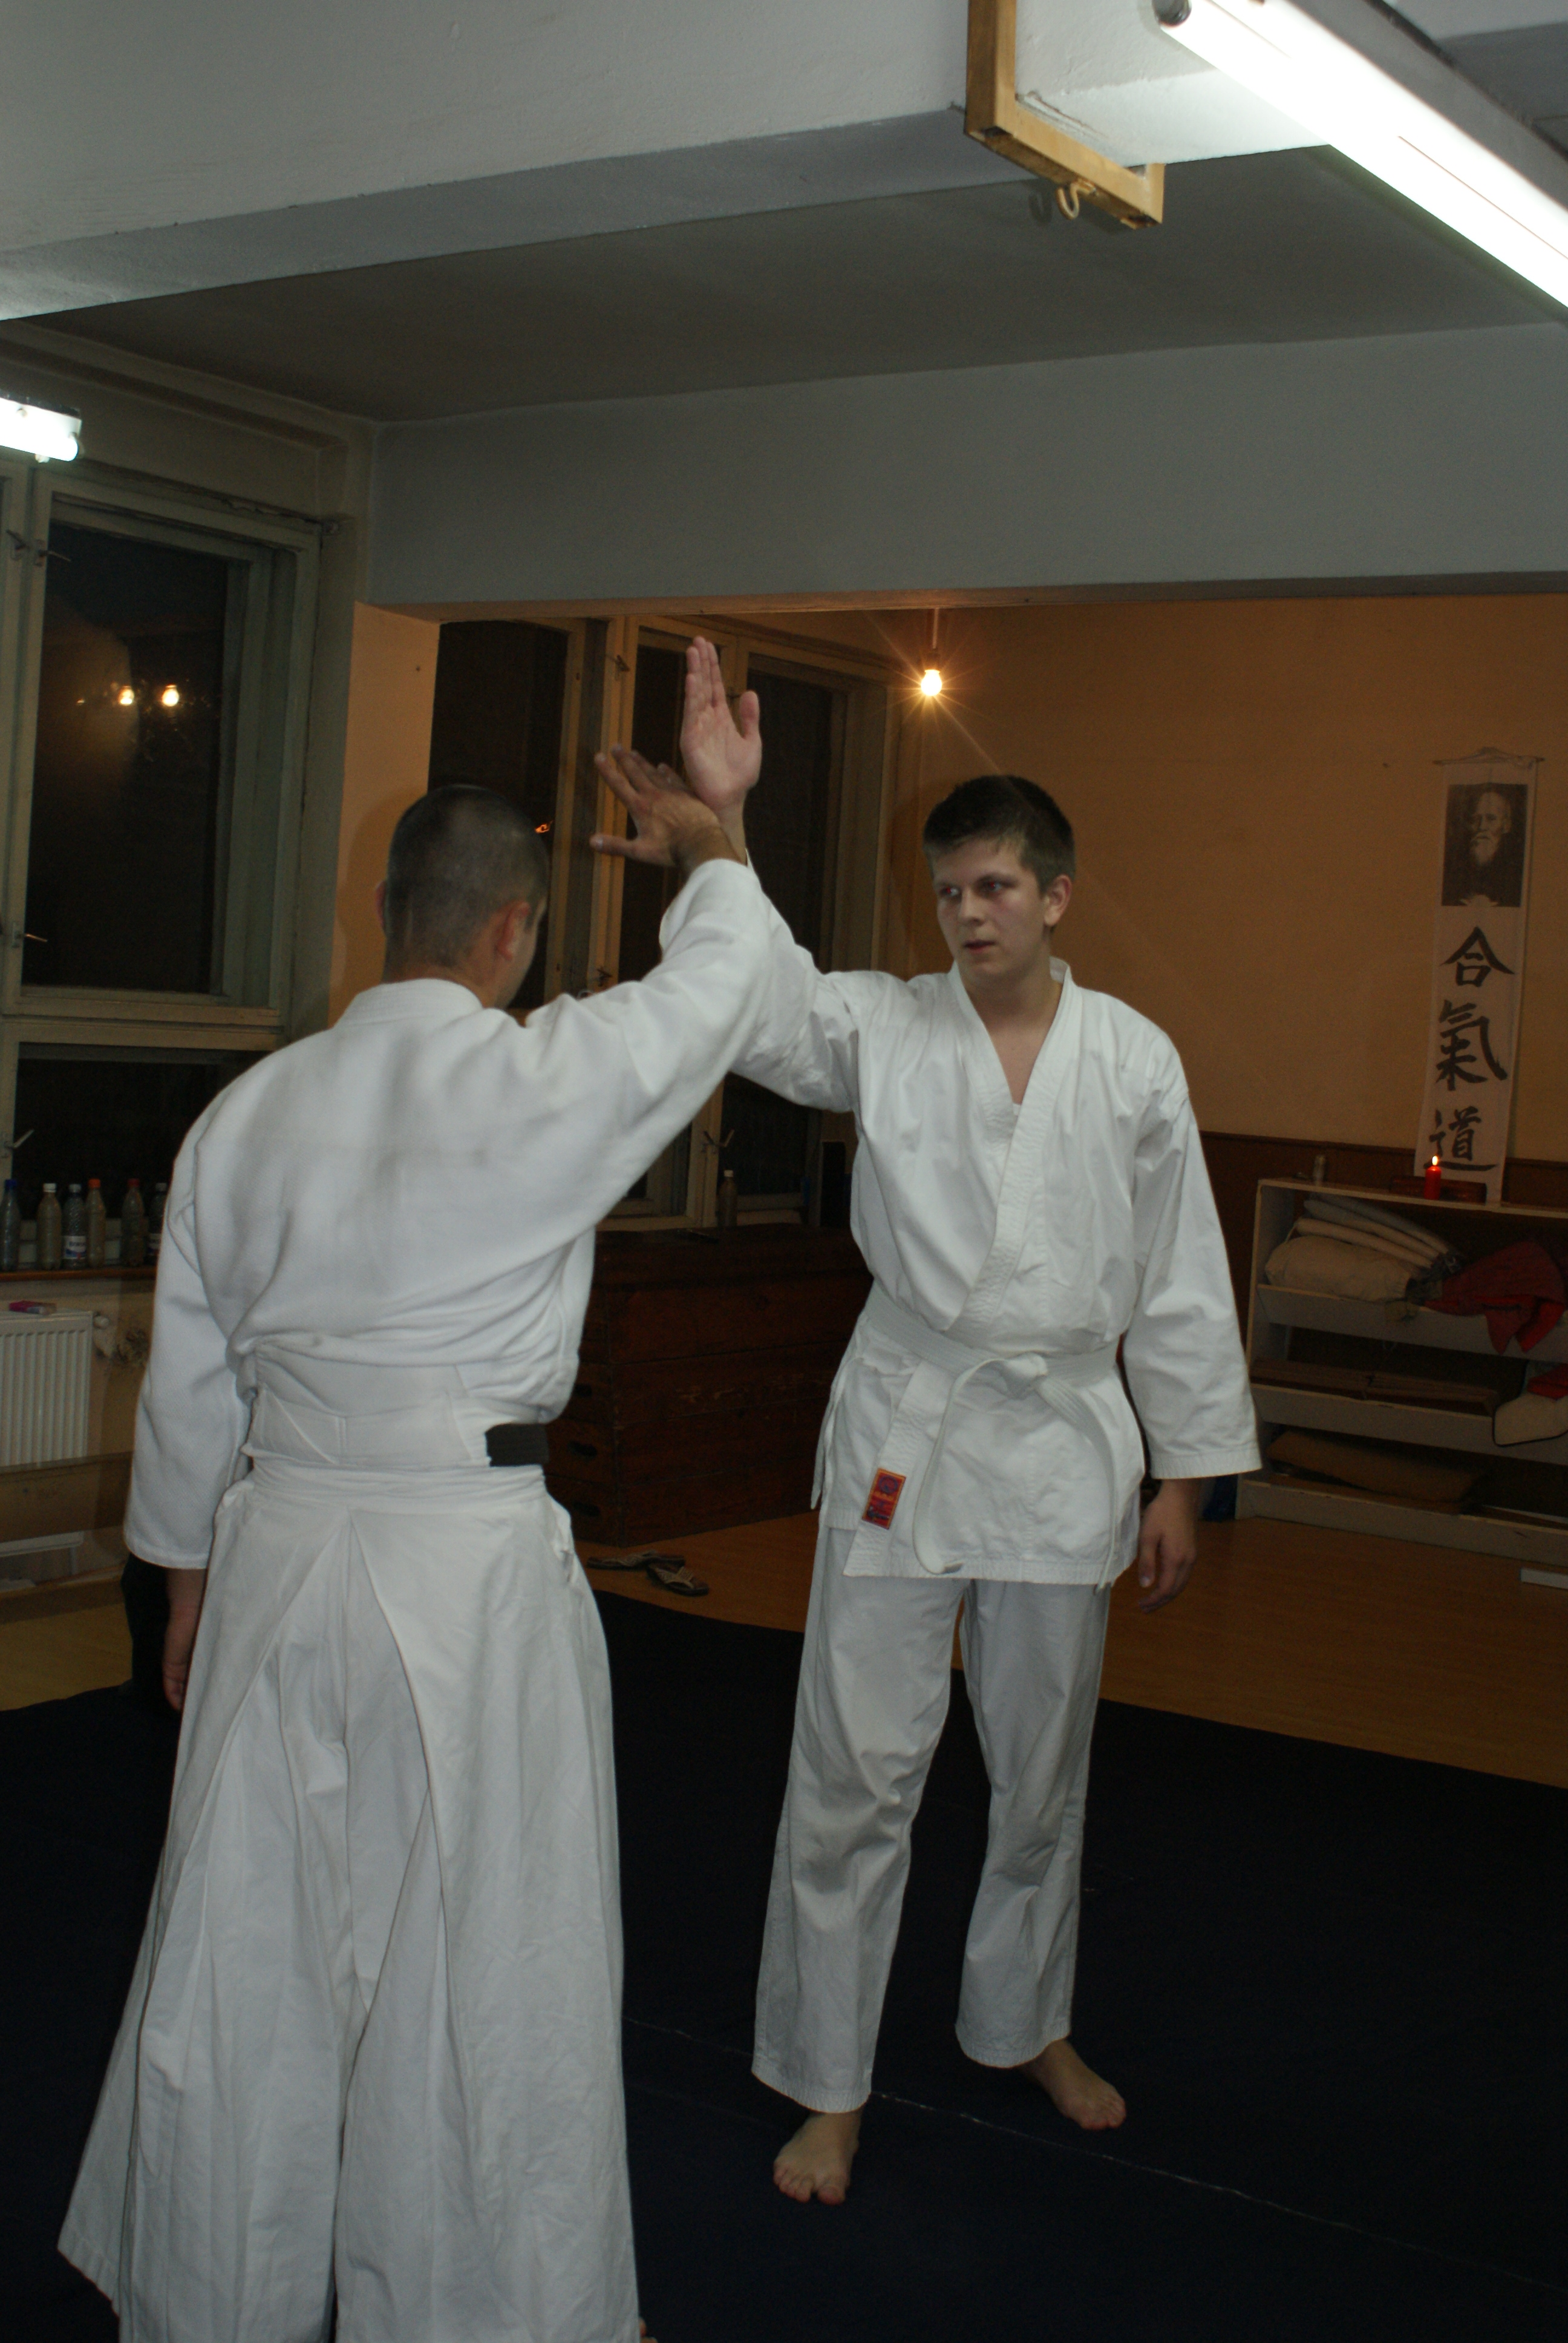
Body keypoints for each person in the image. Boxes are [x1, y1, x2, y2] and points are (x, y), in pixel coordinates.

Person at [60, 763, 769, 2341]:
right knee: (481, 1971)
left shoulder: (247, 1114)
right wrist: (709, 834)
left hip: (277, 1553)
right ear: (516, 933)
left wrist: (184, 1586)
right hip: (466, 1565)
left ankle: (215, 2304)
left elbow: (192, 1388)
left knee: (252, 1953)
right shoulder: (547, 1078)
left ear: (386, 914)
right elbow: (723, 986)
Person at [609, 638, 1258, 2207]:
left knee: (1042, 1771)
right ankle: (825, 2080)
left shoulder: (1136, 1062)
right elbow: (758, 1003)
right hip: (912, 1421)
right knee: (853, 1768)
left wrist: (1186, 1475)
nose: (969, 914)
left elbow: (1180, 1273)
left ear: (1057, 896)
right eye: (950, 890)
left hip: (1063, 1440)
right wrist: (719, 832)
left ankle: (1026, 2024)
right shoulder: (885, 1026)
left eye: (997, 887)